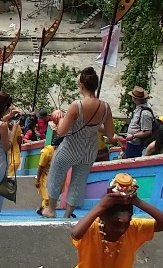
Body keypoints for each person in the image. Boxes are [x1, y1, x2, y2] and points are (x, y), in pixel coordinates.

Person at [44, 68, 114, 218]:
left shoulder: (77, 105)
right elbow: (109, 133)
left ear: (81, 85)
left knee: (56, 174)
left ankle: (51, 209)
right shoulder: (105, 107)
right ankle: (68, 214)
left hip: (70, 147)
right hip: (89, 150)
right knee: (79, 181)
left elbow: (62, 131)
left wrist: (60, 117)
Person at [122, 87, 155, 159]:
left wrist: (133, 136)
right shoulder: (139, 109)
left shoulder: (145, 113)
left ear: (135, 98)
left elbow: (147, 131)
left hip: (136, 144)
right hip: (132, 143)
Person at [35, 136, 62, 215]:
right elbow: (41, 167)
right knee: (47, 196)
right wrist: (37, 179)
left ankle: (44, 209)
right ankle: (45, 210)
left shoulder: (62, 153)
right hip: (45, 176)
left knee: (53, 195)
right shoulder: (46, 152)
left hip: (55, 176)